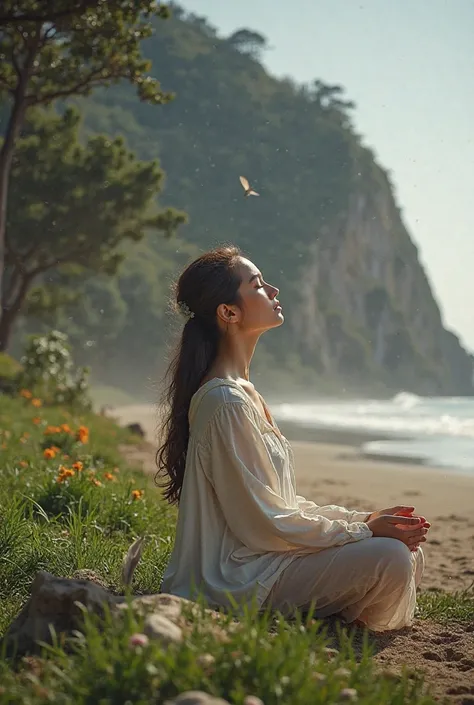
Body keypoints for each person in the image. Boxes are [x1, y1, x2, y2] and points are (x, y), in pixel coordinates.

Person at [157, 245, 429, 632]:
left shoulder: (243, 392)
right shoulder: (224, 400)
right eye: (257, 285)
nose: (273, 290)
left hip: (263, 559)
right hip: (235, 579)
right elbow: (263, 523)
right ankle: (338, 614)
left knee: (406, 547)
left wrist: (363, 519)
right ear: (228, 312)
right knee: (391, 557)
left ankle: (337, 612)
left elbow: (279, 504)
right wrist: (364, 530)